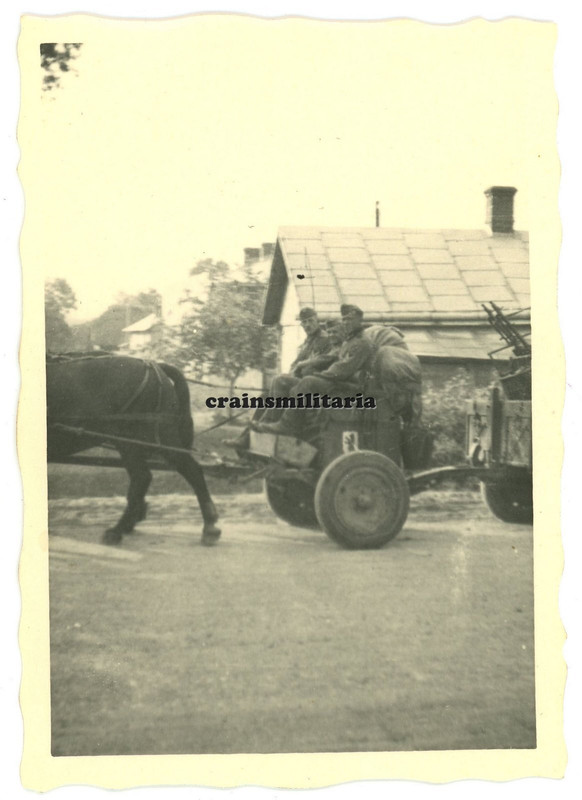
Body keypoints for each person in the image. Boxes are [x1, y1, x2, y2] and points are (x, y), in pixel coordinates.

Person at [256, 304, 374, 437]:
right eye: (345, 319)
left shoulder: (362, 342)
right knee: (282, 381)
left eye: (350, 319)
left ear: (359, 320)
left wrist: (320, 375)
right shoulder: (349, 341)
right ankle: (268, 423)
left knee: (308, 382)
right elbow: (333, 357)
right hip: (337, 382)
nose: (346, 322)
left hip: (349, 387)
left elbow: (343, 369)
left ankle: (288, 425)